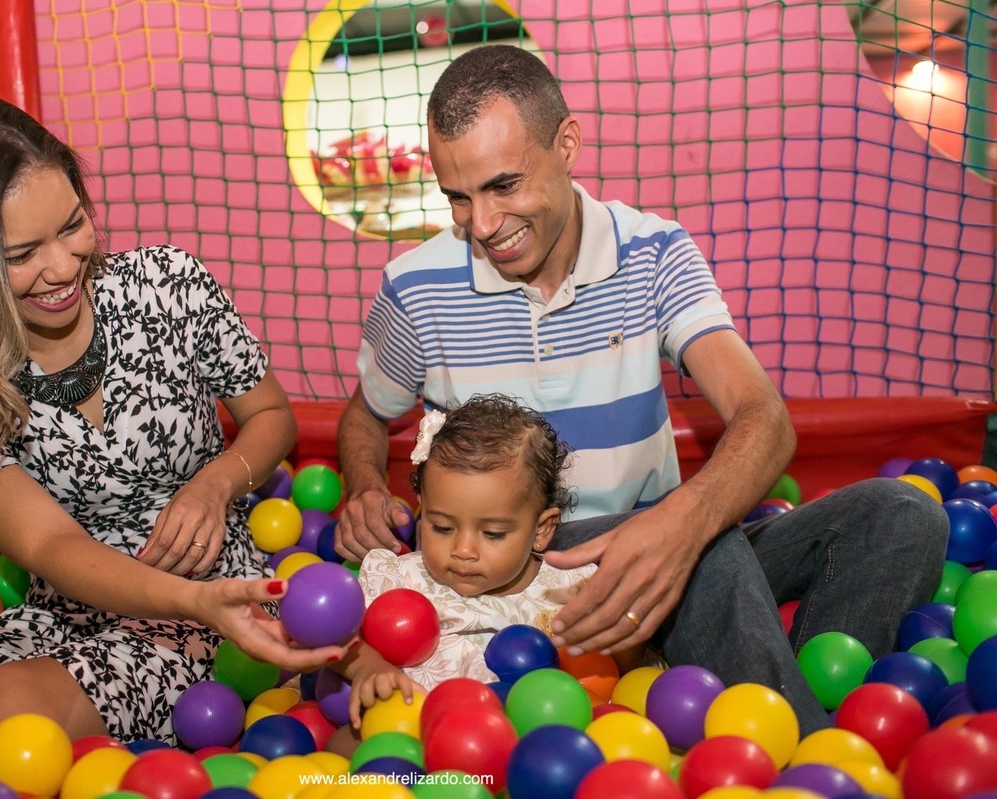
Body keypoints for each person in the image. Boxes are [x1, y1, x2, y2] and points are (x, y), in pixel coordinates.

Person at [335, 44, 949, 736]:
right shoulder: (416, 287)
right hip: (521, 567)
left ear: (566, 144)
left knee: (903, 513)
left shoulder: (654, 253)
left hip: (662, 554)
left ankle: (796, 696)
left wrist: (680, 525)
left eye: (504, 186)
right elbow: (364, 417)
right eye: (458, 197)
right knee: (707, 546)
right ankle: (806, 753)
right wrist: (362, 484)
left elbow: (764, 420)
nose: (481, 224)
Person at [0, 95, 345, 796]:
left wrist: (214, 486)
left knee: (16, 706)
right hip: (63, 609)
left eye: (74, 224)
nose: (63, 267)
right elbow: (54, 549)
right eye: (23, 254)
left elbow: (270, 413)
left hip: (211, 602)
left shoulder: (166, 285)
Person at [335, 394, 622, 728]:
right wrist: (369, 668)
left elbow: (621, 662)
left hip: (531, 743)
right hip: (411, 733)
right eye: (441, 527)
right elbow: (334, 636)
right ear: (422, 508)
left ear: (541, 530)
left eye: (493, 534)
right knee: (347, 743)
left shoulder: (570, 589)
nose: (463, 549)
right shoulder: (401, 580)